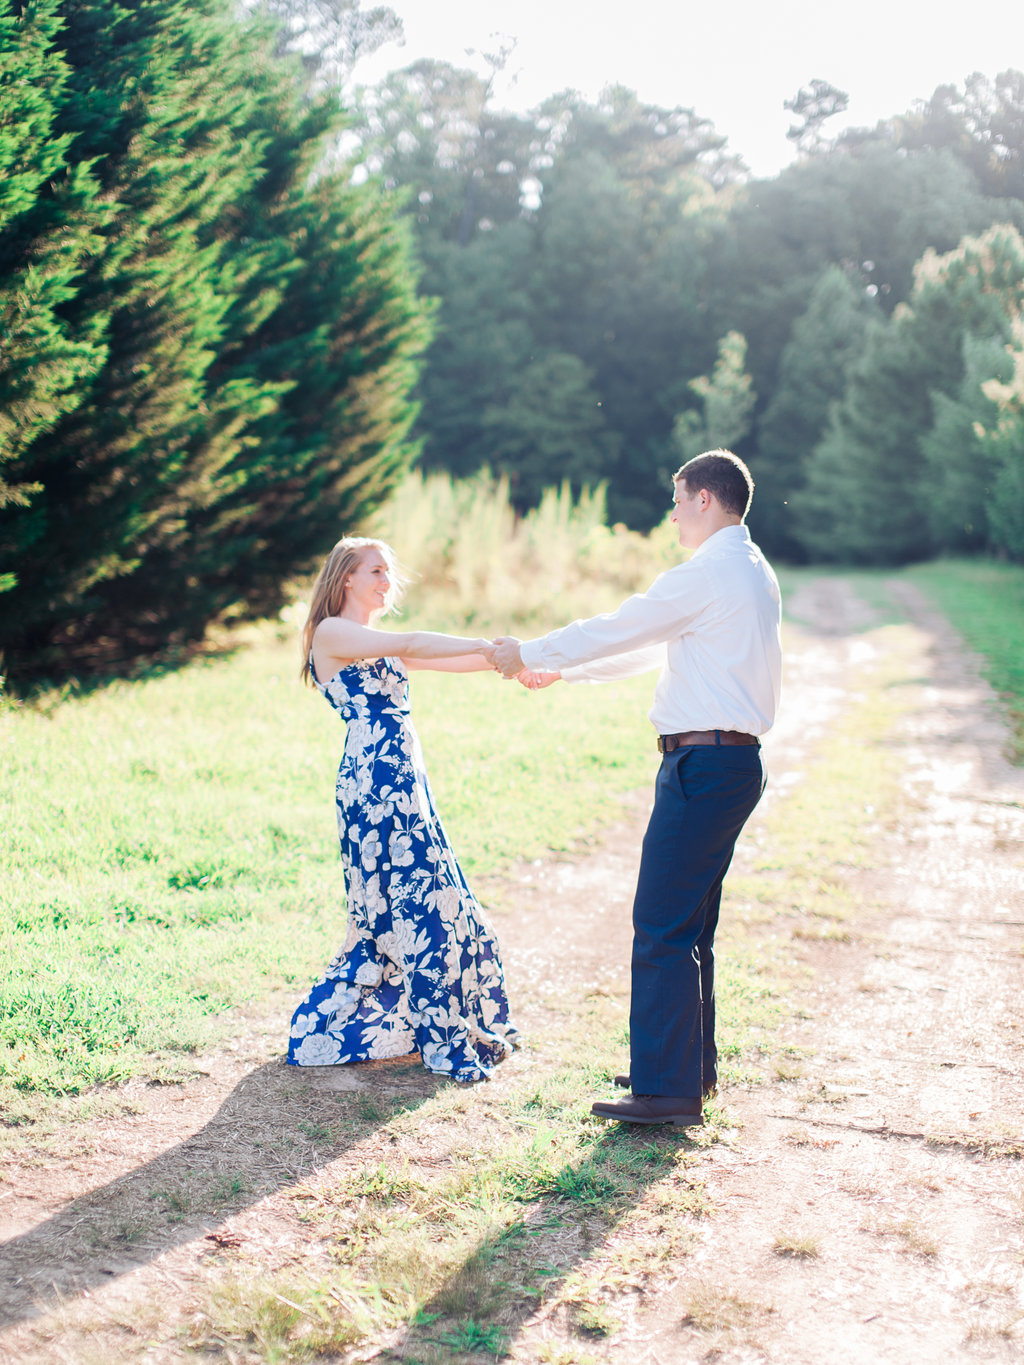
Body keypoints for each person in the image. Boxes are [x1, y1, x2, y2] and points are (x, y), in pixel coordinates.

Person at [494, 451, 781, 1126]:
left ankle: (665, 1092)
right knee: (688, 929)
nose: (673, 512)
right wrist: (564, 674)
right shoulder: (749, 568)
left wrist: (532, 652)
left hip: (704, 768)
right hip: (727, 765)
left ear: (706, 499)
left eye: (679, 499)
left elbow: (623, 623)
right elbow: (657, 644)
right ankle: (682, 1070)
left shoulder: (708, 570)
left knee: (660, 925)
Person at [288, 536, 519, 1083]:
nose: (386, 580)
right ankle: (419, 1020)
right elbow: (415, 639)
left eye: (388, 571)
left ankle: (431, 1017)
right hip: (374, 781)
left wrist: (508, 664)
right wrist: (489, 644)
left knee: (428, 891)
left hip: (403, 779)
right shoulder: (332, 632)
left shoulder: (373, 640)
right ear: (346, 577)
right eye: (376, 570)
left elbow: (432, 655)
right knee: (408, 896)